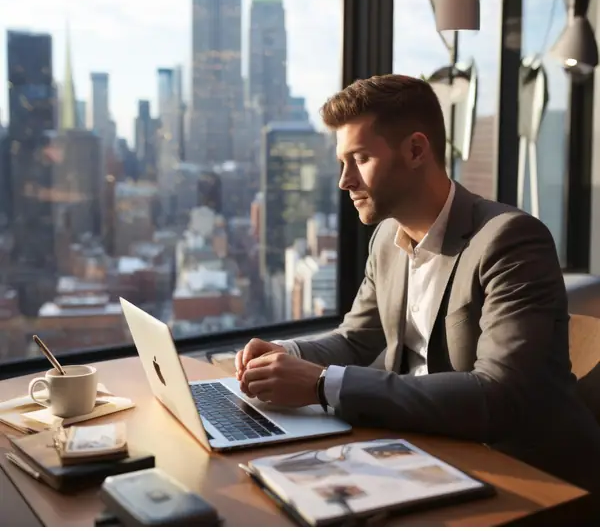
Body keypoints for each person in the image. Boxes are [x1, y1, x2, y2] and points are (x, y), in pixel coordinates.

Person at [235, 74, 600, 494]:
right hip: (421, 453)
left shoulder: (510, 239)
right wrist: (286, 354)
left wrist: (320, 384)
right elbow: (357, 338)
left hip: (527, 475)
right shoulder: (387, 243)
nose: (345, 180)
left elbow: (500, 396)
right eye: (342, 162)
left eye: (360, 158)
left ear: (415, 150)